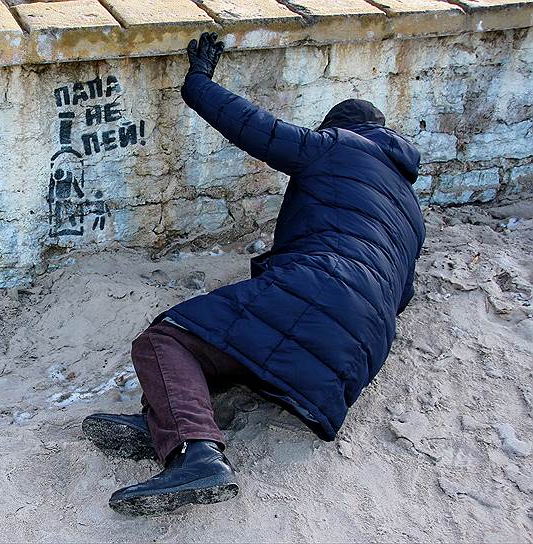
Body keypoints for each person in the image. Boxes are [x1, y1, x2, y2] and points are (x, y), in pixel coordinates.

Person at [83, 32, 426, 516]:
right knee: (233, 340)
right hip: (364, 347)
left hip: (320, 285)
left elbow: (255, 128)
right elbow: (402, 293)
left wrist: (198, 82)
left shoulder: (337, 147)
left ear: (337, 128)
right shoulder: (411, 209)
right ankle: (166, 420)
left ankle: (196, 455)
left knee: (167, 339)